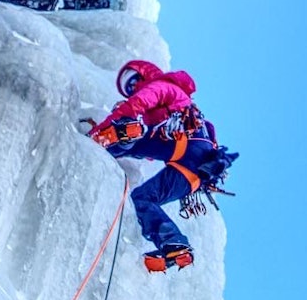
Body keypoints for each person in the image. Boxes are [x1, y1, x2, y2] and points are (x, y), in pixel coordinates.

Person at [88, 60, 235, 272]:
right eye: (128, 88)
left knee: (131, 131)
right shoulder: (187, 107)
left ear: (144, 75)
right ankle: (175, 247)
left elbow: (136, 104)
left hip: (182, 143)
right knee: (143, 198)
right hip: (197, 172)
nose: (132, 88)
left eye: (133, 82)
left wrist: (96, 134)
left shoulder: (165, 86)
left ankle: (117, 136)